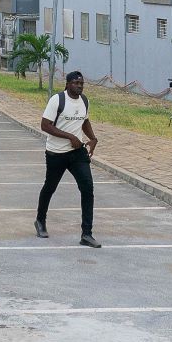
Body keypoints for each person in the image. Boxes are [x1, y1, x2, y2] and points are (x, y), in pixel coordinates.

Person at [35, 70, 100, 248]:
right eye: (76, 83)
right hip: (56, 153)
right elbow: (45, 125)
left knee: (87, 188)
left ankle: (87, 234)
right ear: (68, 83)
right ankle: (40, 220)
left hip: (77, 153)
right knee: (50, 187)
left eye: (81, 83)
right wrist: (70, 137)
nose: (79, 86)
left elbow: (84, 121)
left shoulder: (85, 101)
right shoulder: (58, 100)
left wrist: (93, 138)